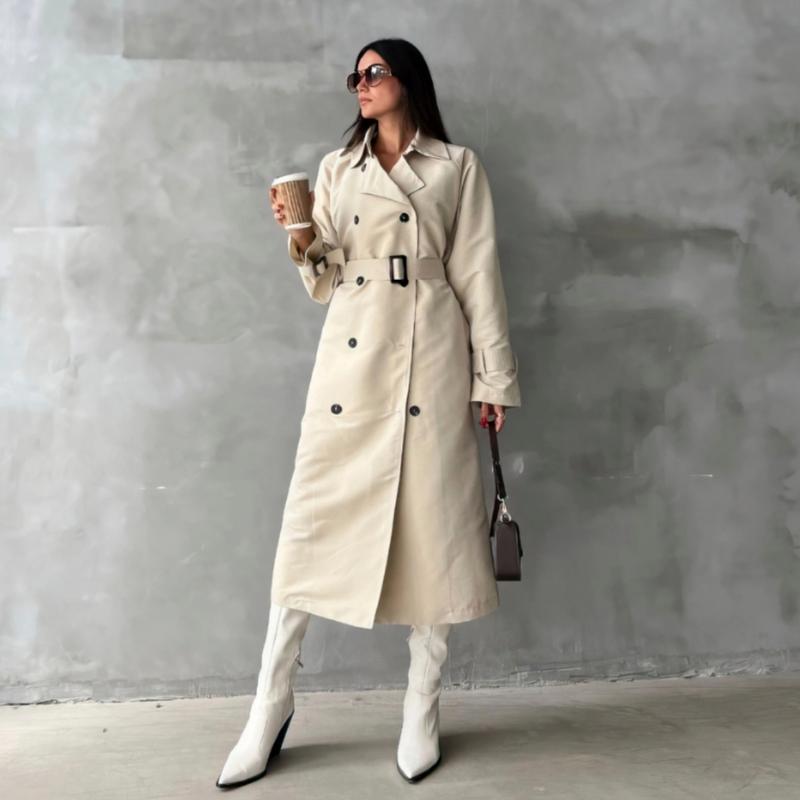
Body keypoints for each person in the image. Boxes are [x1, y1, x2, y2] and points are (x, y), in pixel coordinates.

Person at [216, 37, 522, 790]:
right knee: (308, 529)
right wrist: (298, 236)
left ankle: (422, 705)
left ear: (407, 81)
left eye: (374, 72)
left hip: (432, 357)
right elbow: (325, 281)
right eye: (355, 75)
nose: (361, 83)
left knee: (435, 531)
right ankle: (270, 704)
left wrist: (493, 378)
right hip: (351, 365)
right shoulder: (337, 168)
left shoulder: (456, 166)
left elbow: (478, 273)